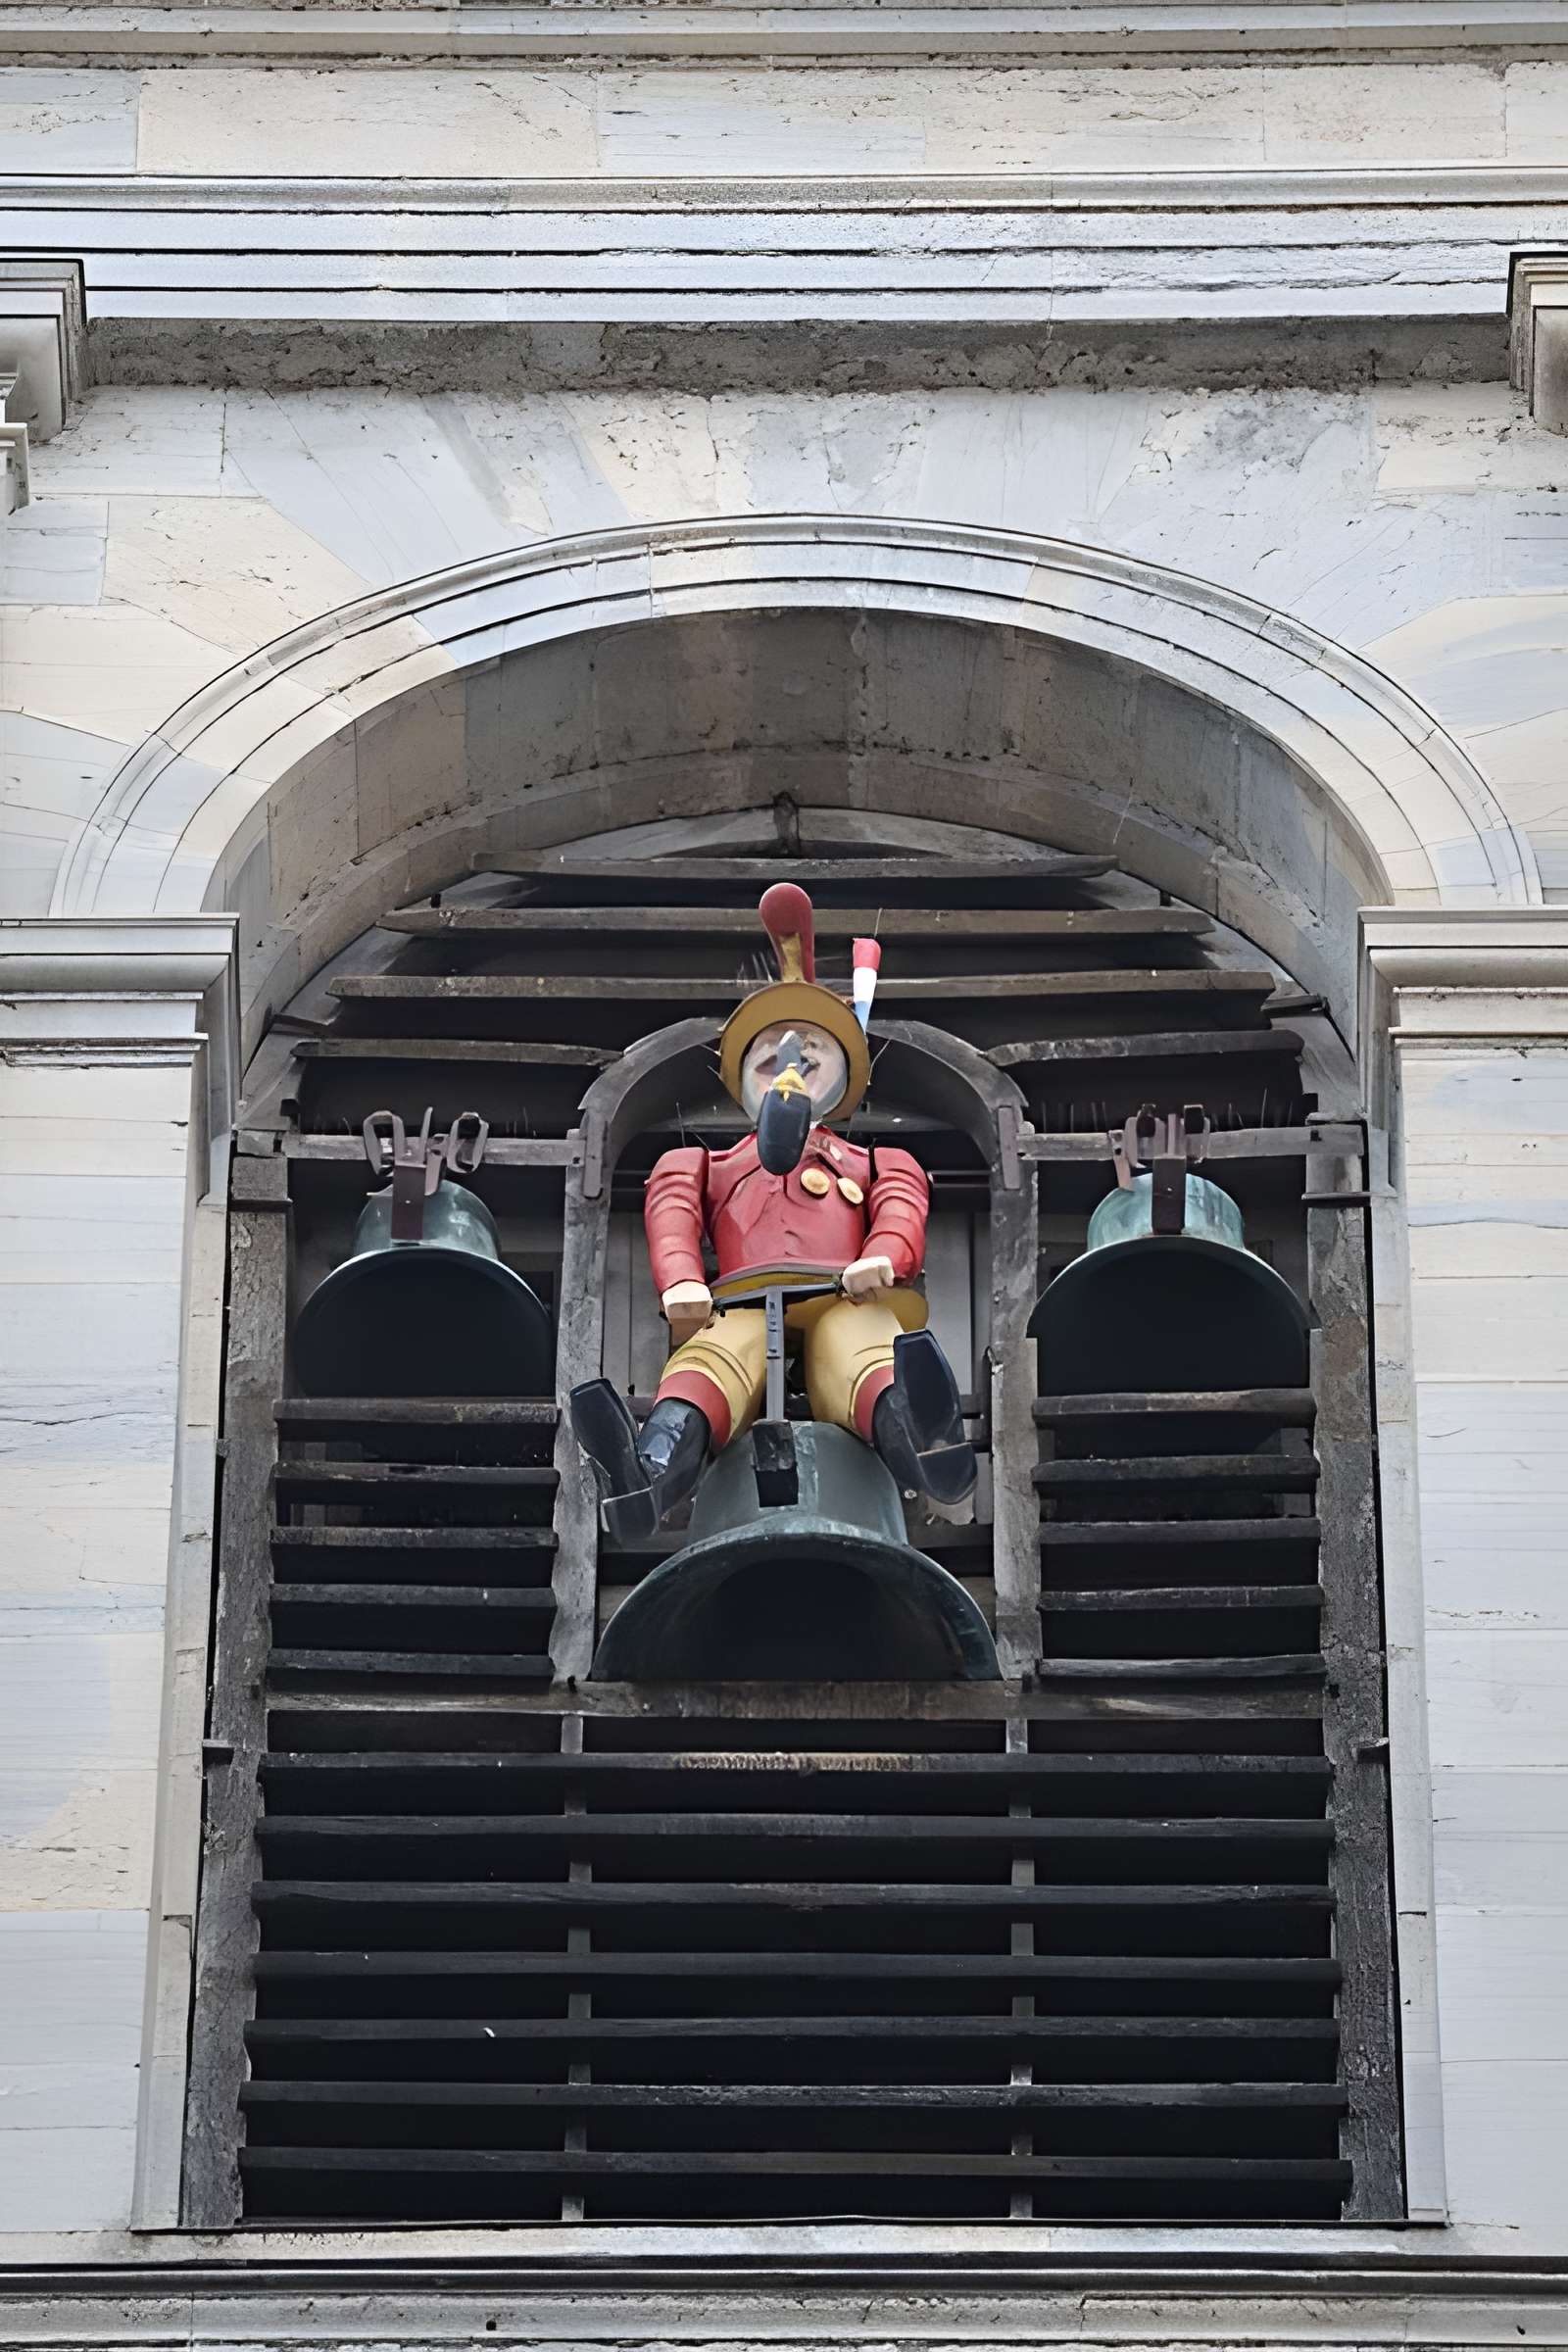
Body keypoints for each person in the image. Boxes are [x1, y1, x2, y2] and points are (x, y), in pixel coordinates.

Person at [570, 883, 976, 1541]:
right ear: (742, 1080)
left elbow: (901, 1210)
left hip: (842, 1294)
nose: (791, 1057)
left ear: (844, 1077)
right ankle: (646, 1473)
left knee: (863, 1355)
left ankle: (926, 1440)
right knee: (711, 1367)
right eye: (772, 1052)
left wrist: (883, 1257)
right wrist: (682, 1281)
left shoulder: (876, 1161)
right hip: (741, 1301)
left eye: (810, 1049)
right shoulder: (701, 1163)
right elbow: (672, 1215)